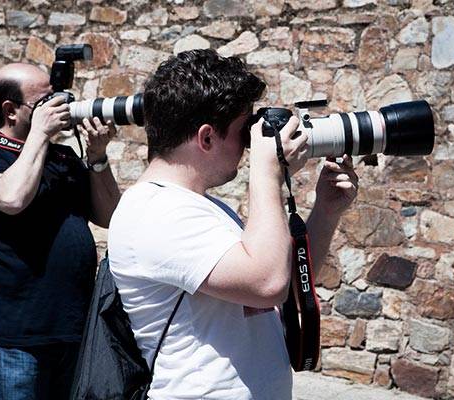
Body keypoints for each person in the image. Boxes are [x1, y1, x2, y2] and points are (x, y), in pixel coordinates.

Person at [107, 49, 359, 399]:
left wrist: (327, 211)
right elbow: (266, 283)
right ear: (206, 137)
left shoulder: (199, 207)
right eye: (244, 131)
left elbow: (281, 282)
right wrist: (267, 171)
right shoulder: (155, 211)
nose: (248, 145)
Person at [0, 63, 120, 399]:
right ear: (10, 110)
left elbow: (110, 216)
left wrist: (98, 158)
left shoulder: (63, 157)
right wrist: (41, 135)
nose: (56, 107)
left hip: (72, 329)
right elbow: (12, 198)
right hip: (13, 335)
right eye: (44, 102)